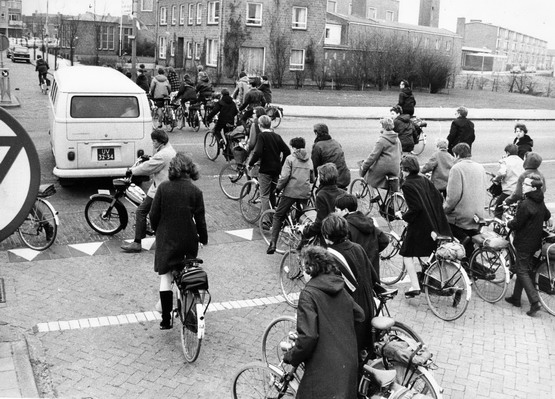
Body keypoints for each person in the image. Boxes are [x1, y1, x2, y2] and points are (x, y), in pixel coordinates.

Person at [283, 245, 364, 399]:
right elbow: (359, 315)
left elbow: (308, 337)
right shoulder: (339, 287)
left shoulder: (309, 294)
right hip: (348, 364)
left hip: (324, 370)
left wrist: (292, 356)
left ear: (311, 268)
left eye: (303, 266)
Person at [149, 153, 208, 329]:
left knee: (166, 278)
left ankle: (166, 320)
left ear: (172, 169)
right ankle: (188, 309)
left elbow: (153, 215)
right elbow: (201, 220)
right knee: (187, 274)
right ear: (191, 169)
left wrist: (157, 229)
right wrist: (203, 239)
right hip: (188, 240)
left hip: (167, 239)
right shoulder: (195, 191)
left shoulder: (163, 188)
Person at [322, 214, 378, 355]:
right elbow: (374, 278)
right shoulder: (358, 248)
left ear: (326, 235)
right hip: (369, 309)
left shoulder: (330, 257)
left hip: (352, 316)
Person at [397, 155, 452, 298]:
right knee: (433, 253)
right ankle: (445, 281)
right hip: (436, 223)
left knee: (406, 254)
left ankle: (415, 286)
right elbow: (439, 198)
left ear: (406, 170)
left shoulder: (407, 185)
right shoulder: (424, 179)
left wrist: (403, 216)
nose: (401, 172)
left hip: (421, 226)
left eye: (402, 169)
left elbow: (416, 208)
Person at [121, 129, 176, 253]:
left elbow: (148, 168)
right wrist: (150, 158)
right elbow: (155, 162)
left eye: (154, 141)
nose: (153, 143)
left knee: (141, 211)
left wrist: (132, 171)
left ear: (160, 142)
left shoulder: (163, 154)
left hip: (160, 189)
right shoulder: (168, 150)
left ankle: (137, 243)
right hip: (164, 185)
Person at [505, 174, 551, 317]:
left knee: (522, 271)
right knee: (523, 267)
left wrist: (508, 222)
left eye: (526, 184)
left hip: (524, 242)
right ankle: (516, 298)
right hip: (535, 242)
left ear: (532, 188)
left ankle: (534, 301)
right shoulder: (539, 201)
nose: (523, 186)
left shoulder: (525, 204)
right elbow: (547, 215)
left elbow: (518, 223)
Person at [267, 137, 314, 254]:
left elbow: (284, 177)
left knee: (278, 215)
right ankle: (301, 243)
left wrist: (278, 188)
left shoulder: (290, 159)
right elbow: (312, 178)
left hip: (290, 192)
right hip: (304, 192)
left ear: (293, 147)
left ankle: (272, 243)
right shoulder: (309, 160)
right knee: (301, 218)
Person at [443, 143, 486, 258]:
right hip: (478, 213)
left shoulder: (457, 168)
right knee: (471, 243)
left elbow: (453, 197)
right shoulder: (480, 167)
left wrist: (444, 209)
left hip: (462, 215)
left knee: (444, 224)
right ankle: (471, 267)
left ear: (457, 155)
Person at [334, 193, 389, 281]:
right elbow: (384, 240)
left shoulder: (345, 226)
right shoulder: (368, 221)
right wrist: (373, 251)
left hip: (357, 274)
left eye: (337, 210)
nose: (335, 213)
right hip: (373, 272)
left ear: (345, 210)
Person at [248, 115, 290, 216]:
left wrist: (251, 163)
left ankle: (266, 220)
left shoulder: (262, 136)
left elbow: (257, 152)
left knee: (264, 195)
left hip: (265, 169)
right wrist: (281, 163)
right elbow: (287, 150)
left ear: (260, 125)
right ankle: (273, 216)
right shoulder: (277, 136)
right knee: (272, 193)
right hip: (276, 169)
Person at [359, 117, 401, 201]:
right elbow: (401, 152)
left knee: (369, 174)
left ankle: (374, 194)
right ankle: (391, 201)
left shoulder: (382, 140)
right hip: (395, 168)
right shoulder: (397, 139)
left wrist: (364, 167)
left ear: (383, 127)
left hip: (384, 168)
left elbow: (372, 156)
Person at [302, 163, 346, 242]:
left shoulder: (321, 195)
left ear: (322, 178)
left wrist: (307, 231)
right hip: (341, 231)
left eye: (318, 176)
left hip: (328, 233)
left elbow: (320, 222)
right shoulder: (343, 193)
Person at [311, 123, 351, 190]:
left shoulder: (318, 146)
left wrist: (312, 178)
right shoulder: (336, 143)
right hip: (345, 177)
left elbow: (315, 165)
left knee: (320, 193)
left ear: (317, 133)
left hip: (332, 179)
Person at [491, 144, 524, 219]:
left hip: (509, 191)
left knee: (498, 209)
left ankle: (497, 226)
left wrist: (496, 179)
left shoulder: (505, 161)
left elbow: (502, 173)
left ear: (508, 153)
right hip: (520, 191)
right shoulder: (521, 161)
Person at [206, 88, 238, 157]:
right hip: (230, 121)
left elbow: (214, 111)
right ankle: (228, 152)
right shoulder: (233, 103)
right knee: (228, 135)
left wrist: (208, 118)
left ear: (222, 94)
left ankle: (220, 140)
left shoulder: (220, 102)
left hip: (222, 120)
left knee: (217, 130)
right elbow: (236, 112)